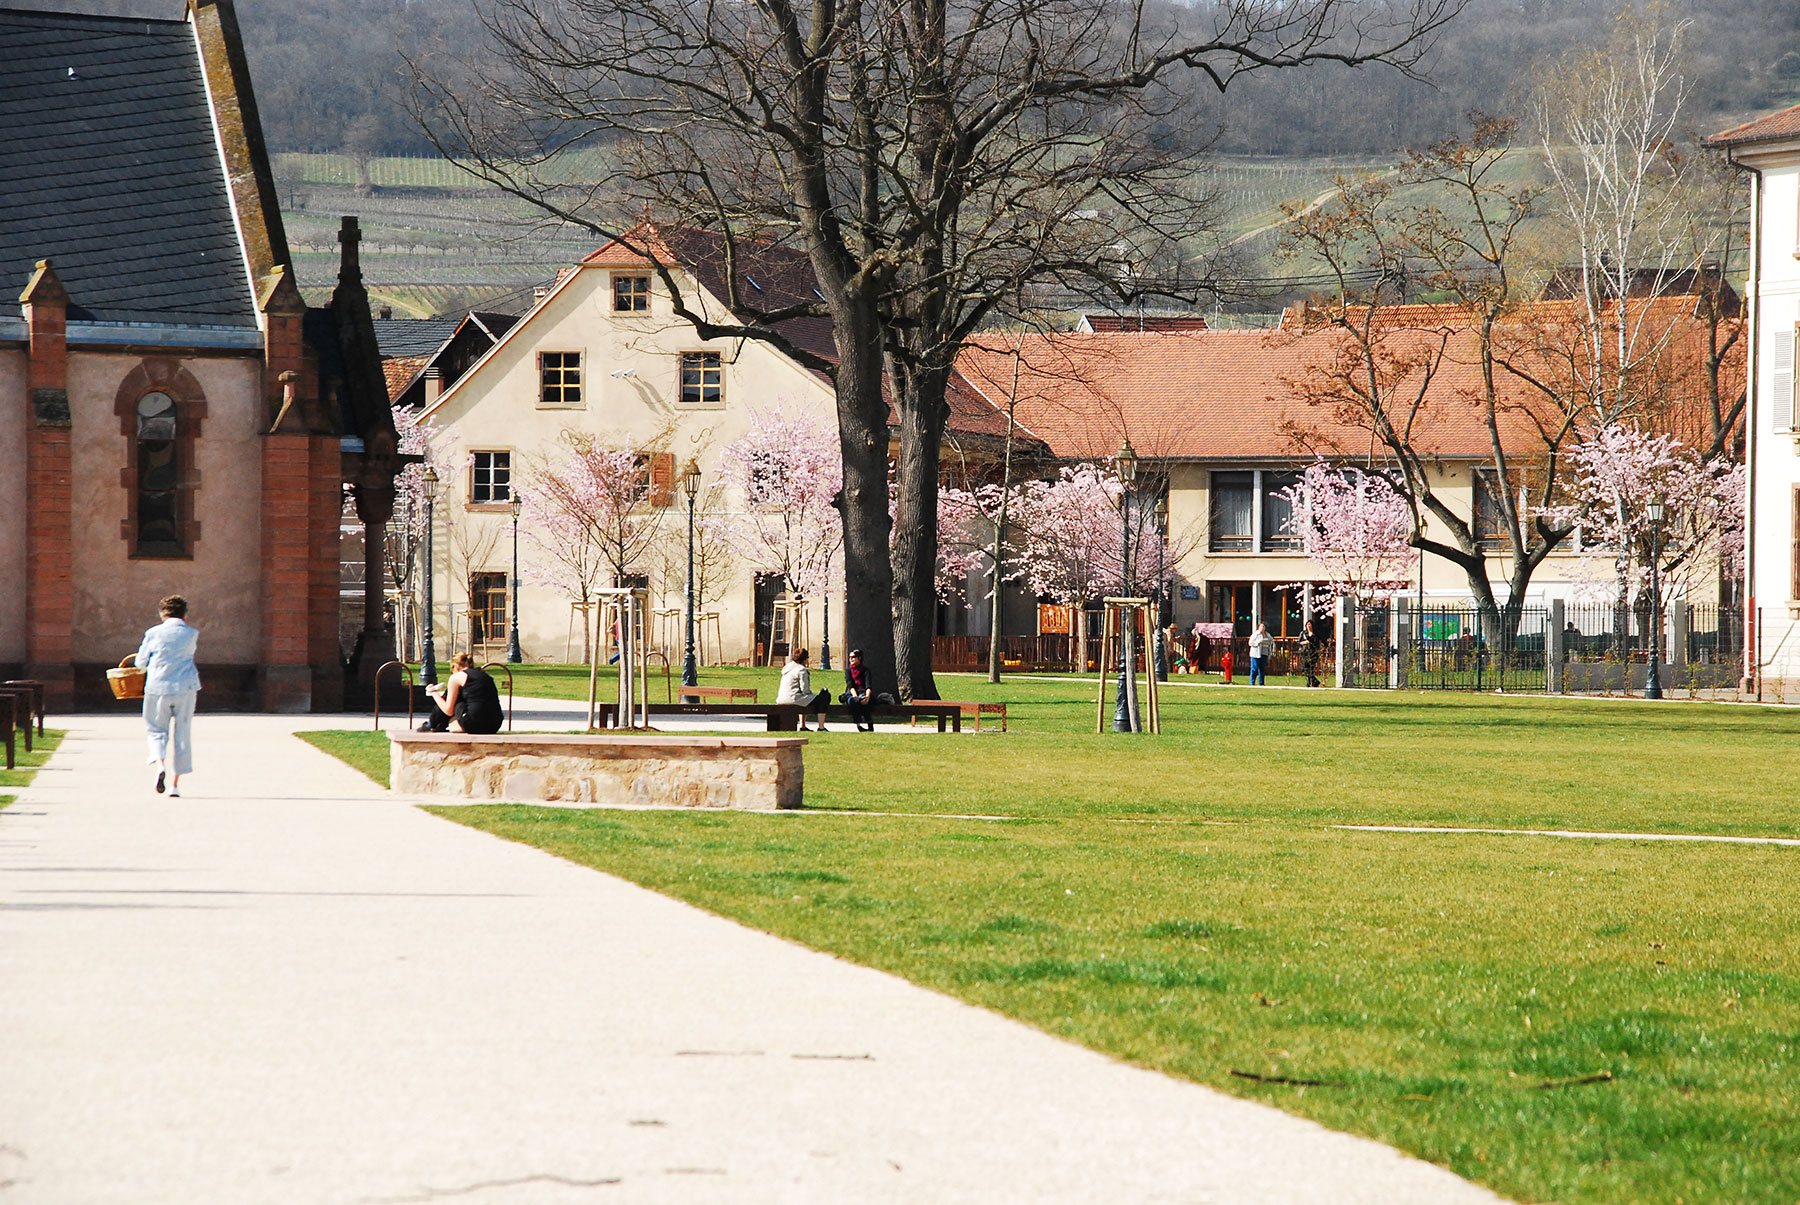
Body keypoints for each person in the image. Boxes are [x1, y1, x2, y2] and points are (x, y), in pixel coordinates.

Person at [135, 594, 200, 797]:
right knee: (182, 733)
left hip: (157, 686)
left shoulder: (153, 633)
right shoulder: (191, 634)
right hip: (185, 687)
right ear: (185, 615)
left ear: (162, 614)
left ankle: (160, 764)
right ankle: (175, 785)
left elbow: (140, 662)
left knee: (156, 730)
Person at [422, 653, 504, 734]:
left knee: (457, 702)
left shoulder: (456, 677)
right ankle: (435, 723)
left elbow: (448, 710)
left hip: (475, 724)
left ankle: (432, 723)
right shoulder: (484, 675)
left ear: (454, 666)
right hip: (495, 724)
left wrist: (433, 693)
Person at [776, 647, 831, 732]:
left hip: (781, 698)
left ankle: (803, 726)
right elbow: (805, 689)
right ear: (805, 659)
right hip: (793, 698)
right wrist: (812, 695)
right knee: (823, 698)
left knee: (805, 699)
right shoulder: (801, 670)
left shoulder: (788, 668)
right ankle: (821, 727)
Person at [841, 648, 876, 731]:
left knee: (863, 700)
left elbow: (868, 686)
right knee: (854, 701)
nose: (851, 659)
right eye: (849, 657)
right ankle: (858, 725)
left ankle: (870, 724)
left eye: (853, 657)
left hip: (863, 692)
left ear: (859, 658)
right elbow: (850, 685)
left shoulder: (865, 670)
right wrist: (855, 695)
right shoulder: (848, 671)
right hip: (852, 693)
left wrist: (867, 696)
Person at [1301, 619, 1324, 688]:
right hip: (1305, 652)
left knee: (1311, 668)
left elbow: (1319, 640)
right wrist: (1303, 643)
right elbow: (1299, 641)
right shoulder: (1303, 633)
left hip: (1313, 652)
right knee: (1304, 669)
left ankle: (1310, 683)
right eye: (1307, 624)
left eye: (1310, 624)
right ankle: (1315, 681)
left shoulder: (1316, 633)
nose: (1309, 626)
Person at [1247, 621, 1271, 686]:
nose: (1262, 628)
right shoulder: (1255, 634)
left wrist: (1267, 642)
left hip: (1264, 653)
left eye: (1263, 626)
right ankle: (1252, 682)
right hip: (1256, 654)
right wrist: (1258, 642)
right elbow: (1250, 643)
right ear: (1258, 627)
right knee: (1254, 668)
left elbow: (1271, 641)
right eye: (1261, 626)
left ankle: (1261, 683)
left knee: (1262, 668)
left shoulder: (1267, 634)